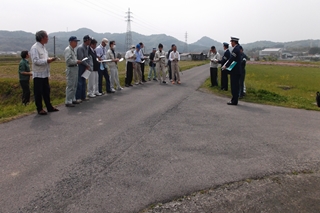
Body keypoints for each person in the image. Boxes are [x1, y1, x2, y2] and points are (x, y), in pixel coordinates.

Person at [30, 30, 59, 115]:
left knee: (46, 91)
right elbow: (35, 61)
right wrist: (47, 60)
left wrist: (50, 59)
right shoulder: (35, 48)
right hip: (38, 74)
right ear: (42, 38)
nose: (48, 39)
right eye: (46, 37)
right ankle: (40, 109)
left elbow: (44, 58)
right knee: (38, 92)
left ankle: (49, 107)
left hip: (45, 73)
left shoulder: (43, 47)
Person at [222, 37, 242, 105]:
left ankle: (234, 101)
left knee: (234, 86)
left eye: (231, 42)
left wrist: (226, 66)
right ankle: (234, 100)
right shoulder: (238, 48)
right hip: (236, 70)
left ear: (234, 42)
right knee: (235, 86)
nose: (231, 43)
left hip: (235, 71)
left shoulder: (236, 49)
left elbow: (231, 59)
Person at [64, 36, 82, 107]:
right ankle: (68, 100)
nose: (76, 43)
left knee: (75, 85)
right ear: (71, 42)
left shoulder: (73, 50)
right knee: (70, 85)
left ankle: (73, 99)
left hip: (75, 68)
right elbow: (68, 61)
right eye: (75, 42)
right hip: (71, 68)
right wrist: (76, 61)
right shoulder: (68, 50)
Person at [76, 35, 91, 102]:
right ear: (87, 40)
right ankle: (78, 97)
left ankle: (83, 96)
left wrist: (87, 65)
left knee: (84, 81)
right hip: (81, 66)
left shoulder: (86, 48)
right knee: (79, 82)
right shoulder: (80, 48)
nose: (90, 41)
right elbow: (81, 59)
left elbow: (87, 57)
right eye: (89, 40)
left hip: (85, 66)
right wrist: (87, 65)